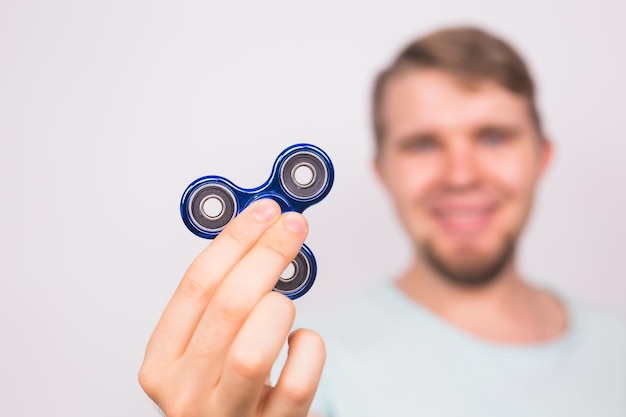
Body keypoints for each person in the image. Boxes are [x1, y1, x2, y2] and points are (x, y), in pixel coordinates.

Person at [138, 26, 626, 417]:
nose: (460, 175)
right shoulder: (286, 372)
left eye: (494, 137)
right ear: (383, 172)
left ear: (541, 157)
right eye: (423, 144)